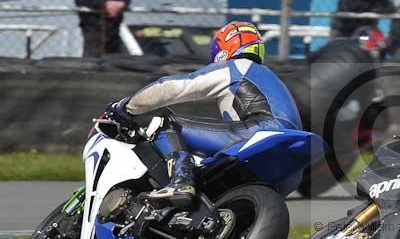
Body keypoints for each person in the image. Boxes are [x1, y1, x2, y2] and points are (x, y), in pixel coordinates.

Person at [106, 21, 302, 208]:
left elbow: (173, 88)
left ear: (224, 48)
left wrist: (125, 107)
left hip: (261, 132)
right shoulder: (275, 79)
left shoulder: (237, 67)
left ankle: (180, 181)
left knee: (165, 122)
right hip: (291, 167)